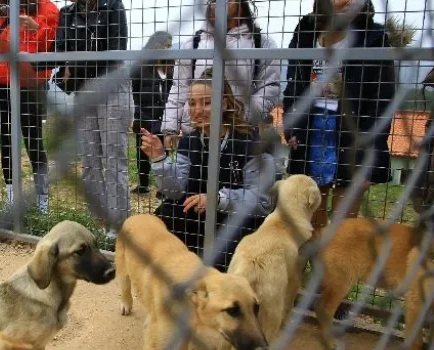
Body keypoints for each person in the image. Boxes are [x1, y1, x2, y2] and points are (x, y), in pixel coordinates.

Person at [141, 69, 275, 271]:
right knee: (159, 227)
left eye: (206, 102)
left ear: (225, 104)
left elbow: (262, 202)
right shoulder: (190, 140)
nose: (198, 110)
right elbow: (175, 191)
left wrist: (218, 199)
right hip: (197, 218)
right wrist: (160, 159)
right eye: (192, 103)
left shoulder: (249, 143)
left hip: (234, 222)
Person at [283, 0, 394, 229]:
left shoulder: (374, 37)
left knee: (345, 225)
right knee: (312, 216)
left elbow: (382, 101)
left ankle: (338, 261)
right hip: (311, 128)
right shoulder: (306, 30)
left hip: (353, 131)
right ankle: (320, 263)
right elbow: (294, 84)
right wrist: (292, 125)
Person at [0, 0, 59, 214]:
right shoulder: (2, 8)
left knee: (33, 141)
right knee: (7, 141)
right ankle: (11, 196)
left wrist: (36, 28)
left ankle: (41, 199)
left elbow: (54, 44)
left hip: (30, 83)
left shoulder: (47, 8)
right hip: (1, 82)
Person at [52, 0, 132, 239]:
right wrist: (73, 65)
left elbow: (114, 51)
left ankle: (119, 226)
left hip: (112, 86)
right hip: (84, 90)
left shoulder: (112, 6)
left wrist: (74, 66)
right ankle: (100, 222)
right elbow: (61, 50)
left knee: (113, 155)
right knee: (89, 159)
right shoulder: (67, 13)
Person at [162, 0, 280, 147]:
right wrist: (170, 129)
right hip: (197, 132)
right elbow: (179, 89)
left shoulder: (261, 43)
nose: (219, 4)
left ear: (241, 4)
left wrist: (241, 116)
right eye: (213, 1)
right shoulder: (193, 44)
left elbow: (269, 89)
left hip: (241, 133)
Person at [131, 31, 174, 195]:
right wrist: (136, 115)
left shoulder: (171, 67)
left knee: (163, 152)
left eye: (170, 47)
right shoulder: (140, 67)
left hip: (164, 117)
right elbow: (132, 93)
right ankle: (143, 185)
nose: (167, 50)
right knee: (142, 152)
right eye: (165, 46)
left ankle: (164, 188)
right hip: (144, 116)